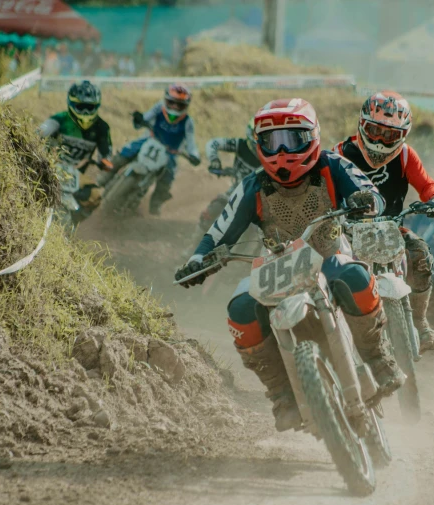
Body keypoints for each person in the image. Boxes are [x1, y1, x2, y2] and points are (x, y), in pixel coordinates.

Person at [174, 98, 405, 431]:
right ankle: (281, 393)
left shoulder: (333, 166)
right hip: (279, 269)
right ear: (259, 145)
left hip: (329, 256)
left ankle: (379, 359)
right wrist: (198, 260)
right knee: (239, 310)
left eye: (292, 139)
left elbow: (373, 195)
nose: (281, 152)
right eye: (272, 142)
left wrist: (363, 201)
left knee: (355, 275)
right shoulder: (252, 187)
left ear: (312, 136)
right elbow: (218, 233)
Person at [333, 91, 434, 352]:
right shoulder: (339, 153)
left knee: (421, 255)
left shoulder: (405, 156)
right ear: (362, 125)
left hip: (391, 226)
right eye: (375, 130)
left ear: (403, 135)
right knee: (328, 268)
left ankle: (420, 322)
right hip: (347, 230)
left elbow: (427, 185)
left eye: (391, 135)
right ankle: (331, 328)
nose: (381, 141)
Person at [105, 83, 201, 215]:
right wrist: (139, 119)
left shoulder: (188, 122)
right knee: (127, 151)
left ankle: (156, 203)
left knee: (168, 175)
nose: (175, 107)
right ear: (166, 100)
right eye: (172, 103)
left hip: (169, 153)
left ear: (186, 106)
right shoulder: (159, 108)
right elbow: (145, 118)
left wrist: (194, 155)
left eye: (179, 104)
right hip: (150, 140)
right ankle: (104, 176)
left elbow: (191, 142)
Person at [38, 81, 114, 225]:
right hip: (50, 166)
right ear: (72, 104)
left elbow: (105, 154)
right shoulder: (59, 119)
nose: (85, 112)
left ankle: (75, 221)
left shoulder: (102, 127)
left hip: (75, 174)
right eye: (81, 107)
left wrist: (105, 162)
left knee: (96, 196)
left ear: (96, 106)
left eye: (89, 107)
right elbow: (37, 134)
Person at [198, 117, 262, 233]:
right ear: (250, 132)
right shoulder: (240, 145)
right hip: (235, 192)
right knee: (211, 212)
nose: (260, 140)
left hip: (260, 201)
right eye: (257, 135)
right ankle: (195, 244)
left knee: (263, 230)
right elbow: (213, 143)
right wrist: (214, 160)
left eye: (264, 136)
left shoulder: (274, 154)